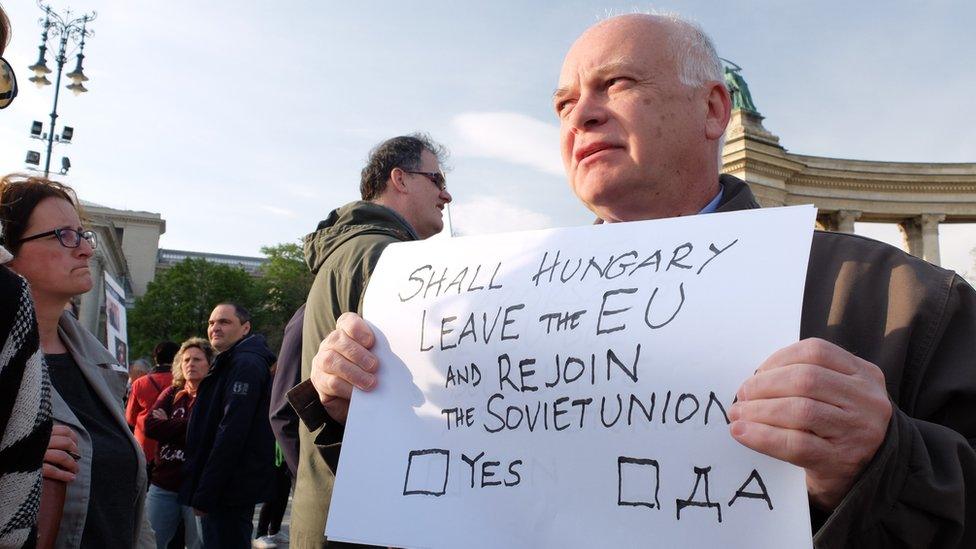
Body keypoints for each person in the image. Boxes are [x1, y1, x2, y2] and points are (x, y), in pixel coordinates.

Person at [300, 14, 976, 548]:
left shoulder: (908, 302)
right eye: (564, 103)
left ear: (716, 110)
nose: (580, 116)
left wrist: (890, 459)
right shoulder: (476, 302)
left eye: (616, 85)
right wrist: (354, 413)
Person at [284, 133, 452, 546]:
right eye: (437, 179)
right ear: (401, 178)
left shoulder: (347, 255)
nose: (446, 195)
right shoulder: (390, 260)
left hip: (330, 509)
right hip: (368, 525)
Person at [1, 174, 154, 547]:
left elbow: (131, 513)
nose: (86, 249)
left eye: (82, 234)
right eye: (63, 236)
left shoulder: (100, 367)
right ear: (8, 253)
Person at [180, 303, 275, 548]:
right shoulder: (231, 361)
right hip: (225, 487)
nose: (215, 328)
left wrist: (206, 491)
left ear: (245, 329)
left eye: (224, 322)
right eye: (212, 323)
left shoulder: (244, 364)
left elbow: (231, 431)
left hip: (227, 490)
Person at [145, 338, 212, 549]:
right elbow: (151, 426)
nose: (190, 364)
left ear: (210, 363)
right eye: (186, 360)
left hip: (197, 486)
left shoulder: (213, 396)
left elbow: (208, 432)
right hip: (163, 483)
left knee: (197, 544)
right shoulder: (171, 393)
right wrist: (190, 427)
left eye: (197, 359)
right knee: (149, 542)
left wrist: (170, 425)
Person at [127, 340, 179, 472]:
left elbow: (130, 419)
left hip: (144, 444)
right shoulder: (182, 382)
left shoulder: (139, 383)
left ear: (155, 358)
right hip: (172, 446)